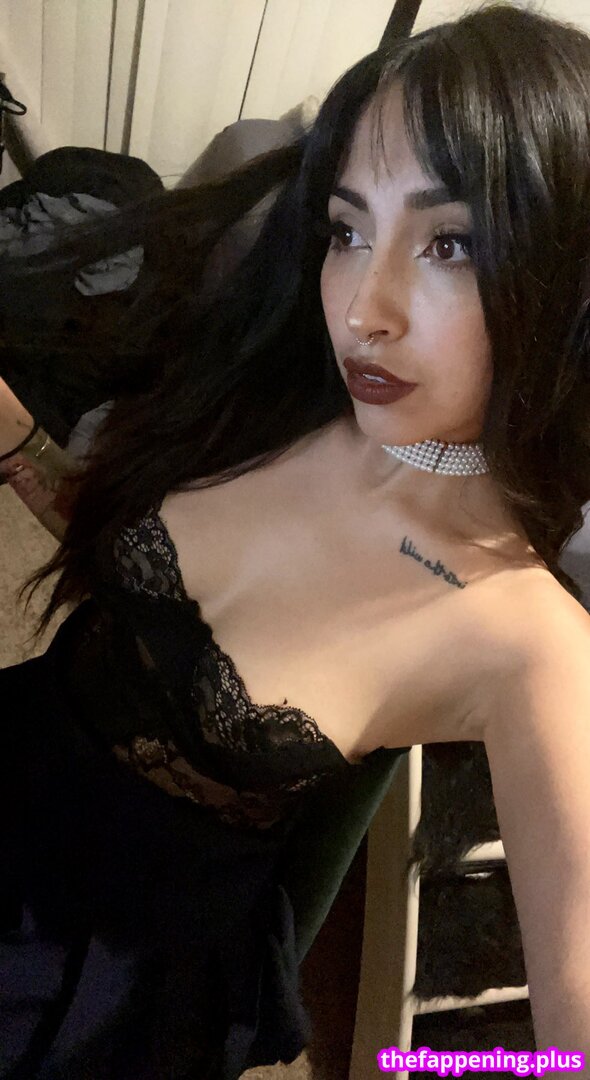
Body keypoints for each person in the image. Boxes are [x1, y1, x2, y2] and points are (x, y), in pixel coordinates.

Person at [1, 2, 590, 1075]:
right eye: (348, 230)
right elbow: (131, 566)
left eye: (450, 243)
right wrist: (17, 438)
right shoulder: (295, 384)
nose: (363, 307)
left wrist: (454, 1065)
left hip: (90, 974)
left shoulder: (527, 638)